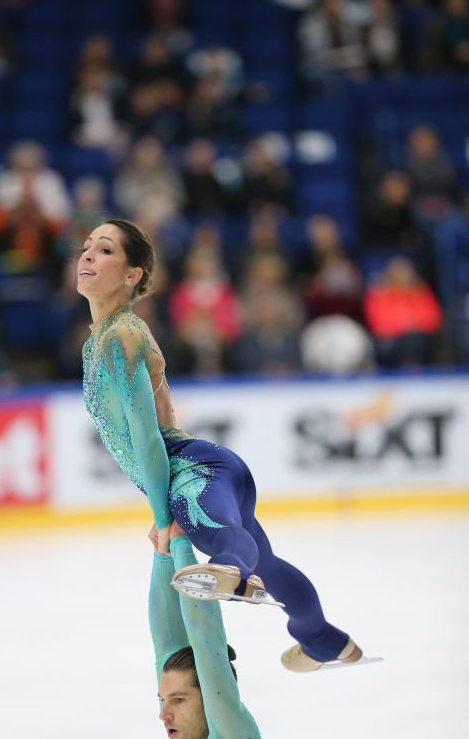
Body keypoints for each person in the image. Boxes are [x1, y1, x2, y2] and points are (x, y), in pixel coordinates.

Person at [78, 219, 362, 672]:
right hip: (206, 466)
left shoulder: (121, 336)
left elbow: (149, 439)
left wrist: (162, 514)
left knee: (227, 544)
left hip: (192, 473)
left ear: (132, 274)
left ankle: (230, 567)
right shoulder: (104, 337)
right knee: (266, 562)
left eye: (105, 250)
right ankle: (323, 639)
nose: (88, 255)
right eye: (87, 246)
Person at [149, 521, 267, 739]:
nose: (164, 714)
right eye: (163, 700)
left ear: (211, 699)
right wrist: (163, 557)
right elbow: (166, 643)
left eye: (179, 700)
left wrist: (183, 545)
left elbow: (207, 645)